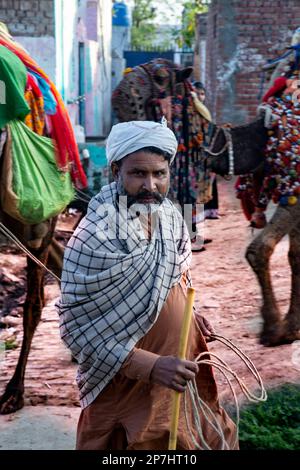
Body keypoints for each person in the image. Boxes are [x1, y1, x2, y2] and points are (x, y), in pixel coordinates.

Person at [57, 120, 237, 450]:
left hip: (179, 371)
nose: (150, 185)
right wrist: (151, 366)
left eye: (160, 174)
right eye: (138, 174)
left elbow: (175, 277)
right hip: (123, 389)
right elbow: (77, 332)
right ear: (116, 171)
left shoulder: (171, 216)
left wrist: (190, 316)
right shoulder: (92, 239)